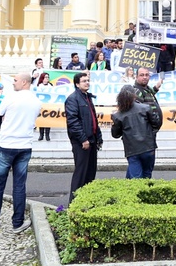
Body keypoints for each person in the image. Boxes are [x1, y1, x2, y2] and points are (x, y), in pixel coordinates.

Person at [0, 72, 42, 234]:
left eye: (16, 80)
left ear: (25, 82)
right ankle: (17, 223)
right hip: (24, 145)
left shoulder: (10, 97)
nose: (13, 83)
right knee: (19, 185)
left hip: (6, 144)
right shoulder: (36, 101)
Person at [65, 72, 103, 202]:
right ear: (77, 84)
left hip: (92, 140)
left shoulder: (87, 97)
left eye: (88, 80)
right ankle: (74, 203)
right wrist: (83, 139)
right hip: (82, 142)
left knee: (90, 173)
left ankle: (86, 201)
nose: (87, 82)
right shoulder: (73, 99)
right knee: (81, 174)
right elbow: (73, 122)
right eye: (83, 81)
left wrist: (98, 137)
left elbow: (93, 120)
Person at [111, 85, 162, 179]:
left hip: (132, 149)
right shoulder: (146, 108)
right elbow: (156, 123)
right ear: (134, 95)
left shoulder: (118, 115)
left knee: (136, 178)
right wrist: (151, 133)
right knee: (147, 175)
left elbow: (115, 134)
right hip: (148, 146)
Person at [131, 67, 164, 170]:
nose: (145, 77)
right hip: (145, 134)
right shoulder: (137, 91)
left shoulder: (146, 89)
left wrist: (157, 87)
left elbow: (150, 93)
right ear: (136, 77)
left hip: (150, 133)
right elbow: (137, 113)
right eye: (142, 75)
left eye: (147, 75)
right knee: (145, 167)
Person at [35, 73, 52, 142]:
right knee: (41, 120)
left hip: (49, 105)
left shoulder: (50, 86)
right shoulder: (39, 86)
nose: (47, 79)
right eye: (45, 77)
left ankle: (47, 135)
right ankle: (41, 135)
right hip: (41, 105)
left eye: (48, 77)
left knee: (48, 121)